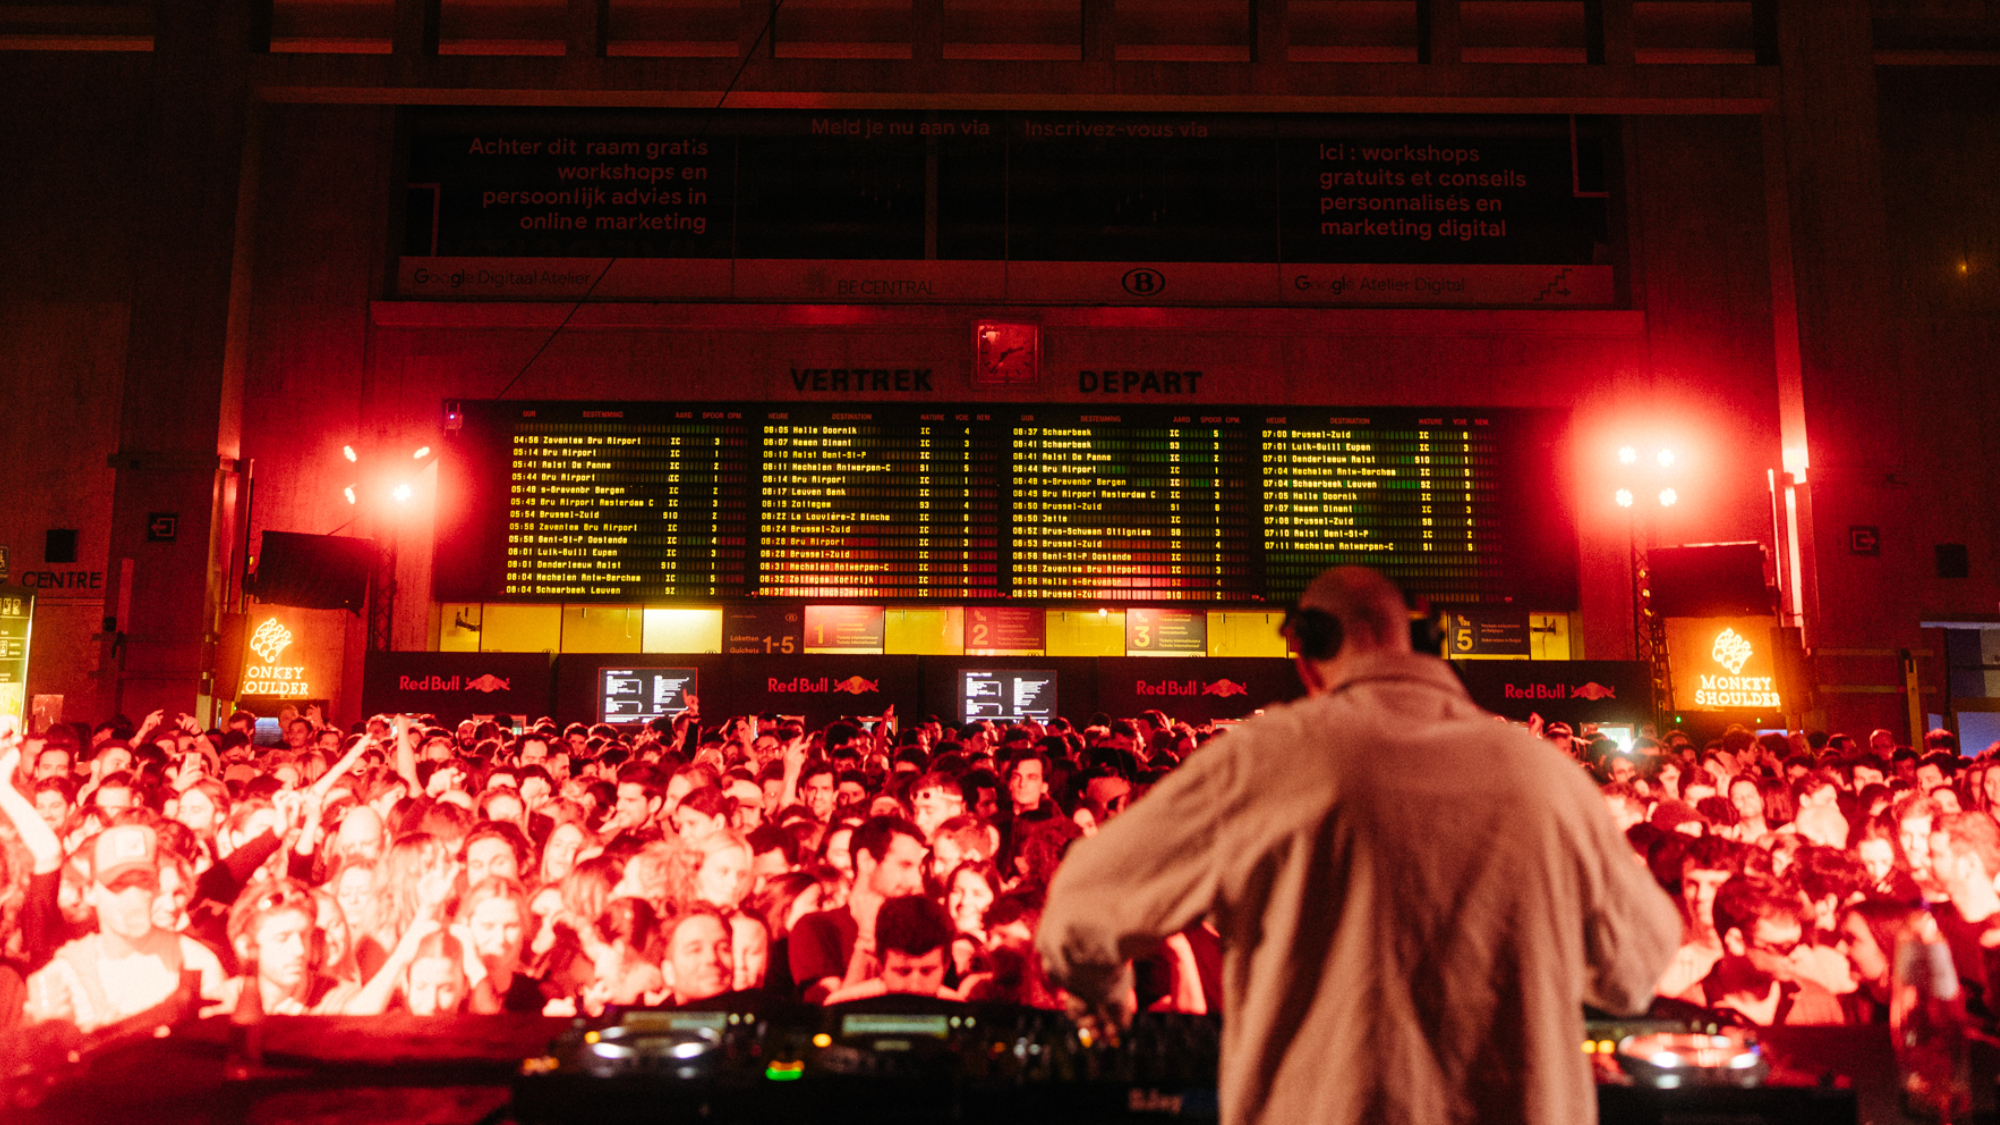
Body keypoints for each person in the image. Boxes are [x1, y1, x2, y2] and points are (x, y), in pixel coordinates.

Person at [1036, 566, 1681, 1125]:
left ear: (1307, 650)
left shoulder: (1266, 760)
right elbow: (1633, 972)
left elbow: (1079, 918)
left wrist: (1108, 1007)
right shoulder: (1545, 776)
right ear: (1426, 643)